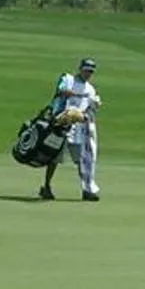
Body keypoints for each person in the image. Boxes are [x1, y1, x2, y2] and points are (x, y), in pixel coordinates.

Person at [45, 56, 101, 201]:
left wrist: (92, 108)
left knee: (81, 160)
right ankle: (46, 187)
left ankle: (86, 189)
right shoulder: (68, 79)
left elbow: (90, 110)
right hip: (61, 124)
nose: (88, 74)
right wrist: (68, 93)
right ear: (80, 69)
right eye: (86, 70)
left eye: (91, 72)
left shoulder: (91, 89)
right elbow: (60, 90)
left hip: (78, 129)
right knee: (54, 159)